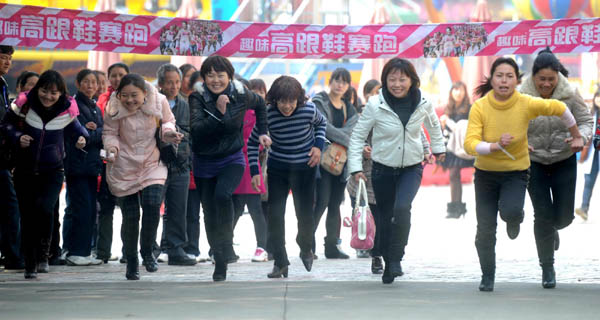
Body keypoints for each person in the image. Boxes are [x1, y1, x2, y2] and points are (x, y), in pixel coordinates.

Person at [464, 57, 584, 292]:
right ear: (492, 79)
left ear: (517, 81)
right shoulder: (480, 107)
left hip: (515, 173)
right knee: (485, 228)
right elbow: (470, 144)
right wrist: (494, 146)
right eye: (499, 75)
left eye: (510, 76)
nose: (504, 81)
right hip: (485, 175)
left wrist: (576, 133)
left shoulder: (525, 102)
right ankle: (487, 275)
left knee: (511, 211)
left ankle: (514, 218)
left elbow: (560, 108)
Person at [348, 58, 446, 284]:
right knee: (383, 216)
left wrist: (438, 148)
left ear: (412, 80)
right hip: (382, 169)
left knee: (402, 208)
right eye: (392, 79)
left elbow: (432, 125)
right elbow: (357, 138)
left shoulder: (423, 102)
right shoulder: (375, 104)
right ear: (385, 81)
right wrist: (355, 168)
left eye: (402, 79)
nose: (397, 84)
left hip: (411, 167)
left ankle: (395, 259)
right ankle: (384, 255)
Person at [189, 55, 270, 281]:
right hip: (204, 160)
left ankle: (224, 245)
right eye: (210, 75)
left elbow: (261, 104)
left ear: (229, 76)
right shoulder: (197, 97)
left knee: (223, 195)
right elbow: (197, 129)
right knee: (209, 212)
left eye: (220, 75)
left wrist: (263, 131)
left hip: (232, 158)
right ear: (204, 78)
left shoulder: (242, 94)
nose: (215, 80)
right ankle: (220, 258)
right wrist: (218, 111)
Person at [1, 70, 89, 279]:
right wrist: (18, 136)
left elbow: (79, 131)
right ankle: (30, 262)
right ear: (37, 88)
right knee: (27, 213)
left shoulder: (66, 110)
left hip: (53, 170)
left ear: (60, 94)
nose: (48, 96)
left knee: (44, 208)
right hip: (24, 168)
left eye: (53, 93)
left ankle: (43, 254)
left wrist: (81, 139)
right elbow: (5, 125)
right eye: (44, 91)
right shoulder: (24, 104)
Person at [520, 50, 593, 289]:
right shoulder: (521, 95)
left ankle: (554, 227)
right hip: (534, 160)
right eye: (542, 79)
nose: (546, 84)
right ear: (534, 76)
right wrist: (519, 141)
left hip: (564, 159)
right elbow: (510, 121)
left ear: (558, 76)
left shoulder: (570, 93)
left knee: (563, 217)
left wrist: (580, 137)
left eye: (551, 79)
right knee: (542, 215)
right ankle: (547, 268)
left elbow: (586, 121)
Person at [103, 74, 182, 280]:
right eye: (125, 96)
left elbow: (168, 122)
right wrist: (111, 148)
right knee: (130, 217)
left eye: (134, 96)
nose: (129, 100)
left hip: (151, 162)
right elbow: (110, 133)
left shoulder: (159, 101)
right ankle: (131, 261)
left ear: (145, 94)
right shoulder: (113, 108)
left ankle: (147, 251)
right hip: (124, 164)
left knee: (152, 206)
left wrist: (169, 134)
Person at [248, 75, 326, 278]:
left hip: (305, 168)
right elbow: (251, 143)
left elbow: (321, 125)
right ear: (275, 100)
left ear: (298, 99)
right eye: (282, 101)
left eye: (291, 101)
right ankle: (281, 262)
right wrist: (255, 172)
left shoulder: (308, 109)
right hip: (278, 169)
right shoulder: (268, 114)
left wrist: (318, 147)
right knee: (275, 217)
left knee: (305, 216)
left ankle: (306, 246)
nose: (287, 106)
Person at [312, 67, 358, 259]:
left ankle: (332, 246)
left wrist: (344, 138)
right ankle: (307, 244)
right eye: (337, 80)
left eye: (344, 82)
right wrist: (346, 138)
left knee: (335, 204)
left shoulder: (349, 106)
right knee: (321, 201)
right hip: (322, 160)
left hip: (341, 163)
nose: (340, 85)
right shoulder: (319, 101)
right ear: (330, 81)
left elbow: (355, 127)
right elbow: (325, 127)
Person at [62, 69, 105, 266]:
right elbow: (78, 134)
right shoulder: (73, 104)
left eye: (93, 82)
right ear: (78, 84)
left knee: (88, 209)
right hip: (78, 164)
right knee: (81, 208)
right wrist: (95, 133)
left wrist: (95, 132)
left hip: (90, 165)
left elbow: (99, 132)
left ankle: (83, 251)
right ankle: (75, 251)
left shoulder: (94, 106)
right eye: (85, 82)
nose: (90, 86)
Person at [156, 63, 196, 266]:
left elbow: (192, 132)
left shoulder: (186, 104)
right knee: (153, 207)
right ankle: (150, 248)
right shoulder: (152, 103)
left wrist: (180, 135)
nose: (174, 86)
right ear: (161, 83)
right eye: (169, 82)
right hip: (156, 163)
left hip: (180, 163)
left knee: (178, 209)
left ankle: (176, 248)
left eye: (177, 82)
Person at [96, 62, 129, 264]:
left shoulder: (137, 98)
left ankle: (129, 252)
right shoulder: (102, 101)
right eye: (114, 76)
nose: (117, 79)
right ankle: (102, 252)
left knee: (129, 210)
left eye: (121, 75)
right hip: (107, 161)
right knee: (106, 209)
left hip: (130, 164)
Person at [0, 45, 24, 271]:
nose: (7, 62)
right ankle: (12, 256)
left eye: (9, 59)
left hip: (3, 157)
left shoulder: (2, 85)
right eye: (3, 58)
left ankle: (11, 254)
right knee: (10, 205)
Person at [440, 81, 474, 218]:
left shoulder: (470, 108)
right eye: (455, 90)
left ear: (465, 92)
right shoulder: (448, 109)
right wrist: (443, 125)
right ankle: (456, 207)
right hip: (453, 147)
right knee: (453, 174)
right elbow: (445, 132)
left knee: (480, 175)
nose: (457, 93)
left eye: (460, 90)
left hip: (467, 146)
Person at [576, 88, 600, 221]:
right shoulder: (591, 114)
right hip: (593, 154)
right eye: (597, 97)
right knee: (588, 181)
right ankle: (584, 208)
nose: (599, 100)